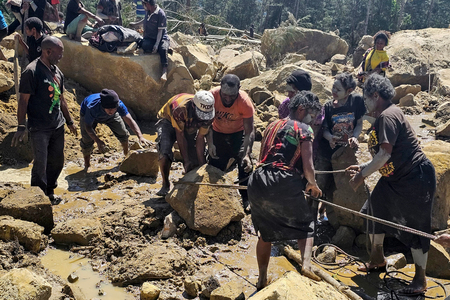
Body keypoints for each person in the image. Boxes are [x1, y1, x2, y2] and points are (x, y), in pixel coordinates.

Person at [347, 74, 436, 295]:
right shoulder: (386, 116)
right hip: (394, 179)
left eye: (366, 97)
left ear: (375, 96)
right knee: (373, 211)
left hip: (415, 178)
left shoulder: (387, 116)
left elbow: (384, 154)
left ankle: (420, 280)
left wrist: (362, 176)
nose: (364, 102)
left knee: (416, 228)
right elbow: (386, 155)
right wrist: (363, 167)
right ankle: (377, 259)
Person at [248, 91, 323, 289]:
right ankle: (306, 267)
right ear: (301, 110)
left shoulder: (272, 124)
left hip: (257, 180)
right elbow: (308, 167)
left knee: (265, 233)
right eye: (312, 115)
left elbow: (267, 156)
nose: (313, 121)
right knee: (306, 226)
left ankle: (262, 279)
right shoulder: (304, 129)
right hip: (281, 180)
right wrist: (313, 185)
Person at [11, 36, 78, 203]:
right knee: (40, 164)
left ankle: (49, 193)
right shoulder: (32, 71)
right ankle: (38, 200)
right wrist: (21, 126)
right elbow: (23, 100)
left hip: (57, 125)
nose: (61, 57)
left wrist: (69, 121)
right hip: (39, 127)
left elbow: (62, 99)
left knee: (57, 162)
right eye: (59, 53)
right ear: (48, 52)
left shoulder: (57, 72)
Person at [316, 73, 365, 210]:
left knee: (339, 184)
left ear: (349, 91)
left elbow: (359, 124)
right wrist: (330, 137)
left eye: (338, 90)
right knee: (321, 182)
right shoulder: (328, 106)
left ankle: (328, 212)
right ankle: (315, 211)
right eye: (333, 88)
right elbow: (324, 129)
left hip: (346, 150)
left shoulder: (356, 101)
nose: (334, 92)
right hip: (327, 150)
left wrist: (355, 136)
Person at [156, 91, 215, 196]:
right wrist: (186, 161)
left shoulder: (209, 113)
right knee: (164, 153)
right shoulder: (180, 109)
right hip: (168, 120)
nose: (203, 118)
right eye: (201, 115)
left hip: (189, 123)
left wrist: (202, 167)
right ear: (193, 106)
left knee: (195, 161)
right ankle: (165, 184)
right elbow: (180, 136)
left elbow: (200, 138)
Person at [80, 89, 150, 170]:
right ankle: (87, 164)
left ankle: (126, 156)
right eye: (109, 109)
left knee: (123, 132)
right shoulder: (92, 107)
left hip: (110, 117)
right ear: (103, 106)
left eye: (113, 108)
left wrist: (140, 136)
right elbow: (88, 127)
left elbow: (130, 121)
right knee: (87, 139)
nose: (111, 111)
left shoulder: (119, 105)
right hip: (89, 114)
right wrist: (98, 141)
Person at [208, 74, 255, 196]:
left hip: (238, 135)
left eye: (232, 96)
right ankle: (215, 196)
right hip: (217, 132)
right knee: (214, 167)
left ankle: (246, 198)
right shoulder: (211, 96)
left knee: (245, 165)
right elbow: (206, 124)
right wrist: (210, 143)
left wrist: (247, 154)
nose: (228, 99)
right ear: (220, 89)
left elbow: (249, 131)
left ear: (238, 90)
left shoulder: (244, 102)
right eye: (225, 95)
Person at [130, 0, 169, 81]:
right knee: (144, 45)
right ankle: (157, 48)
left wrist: (157, 44)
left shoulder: (160, 14)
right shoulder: (148, 11)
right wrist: (135, 24)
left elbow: (160, 31)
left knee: (163, 48)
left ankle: (164, 71)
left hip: (161, 37)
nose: (143, 6)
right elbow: (144, 21)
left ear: (148, 4)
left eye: (144, 4)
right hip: (150, 37)